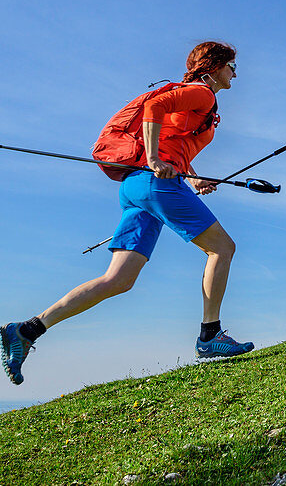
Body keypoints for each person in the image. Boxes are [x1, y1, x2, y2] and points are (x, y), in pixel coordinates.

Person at [2, 41, 253, 387]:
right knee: (222, 248)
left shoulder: (197, 98)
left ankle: (27, 329)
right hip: (153, 182)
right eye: (231, 66)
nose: (235, 73)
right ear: (213, 67)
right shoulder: (202, 93)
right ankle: (210, 336)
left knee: (118, 280)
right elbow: (154, 106)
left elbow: (170, 140)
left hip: (135, 187)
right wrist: (153, 160)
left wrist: (192, 176)